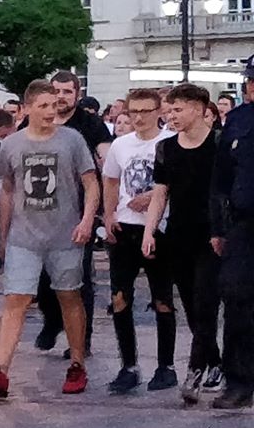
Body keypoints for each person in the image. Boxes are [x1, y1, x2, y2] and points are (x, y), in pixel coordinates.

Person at [0, 80, 99, 400]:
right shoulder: (12, 144)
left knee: (69, 296)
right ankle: (0, 369)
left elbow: (90, 182)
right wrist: (2, 236)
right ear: (27, 108)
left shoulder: (72, 140)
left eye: (54, 105)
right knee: (15, 299)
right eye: (43, 105)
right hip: (24, 236)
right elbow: (7, 189)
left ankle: (77, 362)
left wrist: (87, 220)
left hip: (65, 234)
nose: (50, 111)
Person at [144, 82, 221, 403]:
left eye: (177, 109)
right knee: (190, 305)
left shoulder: (219, 143)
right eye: (169, 110)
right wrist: (149, 231)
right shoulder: (166, 148)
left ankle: (195, 369)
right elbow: (160, 193)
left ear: (199, 109)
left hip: (213, 234)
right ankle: (215, 361)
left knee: (205, 302)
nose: (171, 116)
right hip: (178, 234)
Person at [100, 86, 176, 394]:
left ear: (158, 112)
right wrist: (108, 215)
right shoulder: (121, 145)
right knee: (120, 297)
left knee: (162, 299)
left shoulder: (169, 142)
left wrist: (153, 198)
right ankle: (128, 364)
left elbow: (176, 183)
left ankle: (166, 365)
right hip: (126, 226)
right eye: (134, 112)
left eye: (146, 111)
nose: (140, 118)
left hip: (159, 228)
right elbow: (111, 179)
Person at [35, 68, 111, 352]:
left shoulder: (90, 123)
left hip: (78, 211)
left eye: (67, 92)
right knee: (42, 278)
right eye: (56, 91)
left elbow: (107, 156)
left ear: (77, 95)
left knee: (78, 279)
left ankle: (82, 339)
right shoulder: (37, 119)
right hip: (40, 211)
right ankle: (53, 320)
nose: (61, 97)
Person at [211, 62, 254, 409]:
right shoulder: (238, 119)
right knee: (236, 296)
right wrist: (217, 227)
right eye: (251, 80)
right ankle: (238, 380)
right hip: (243, 222)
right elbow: (221, 177)